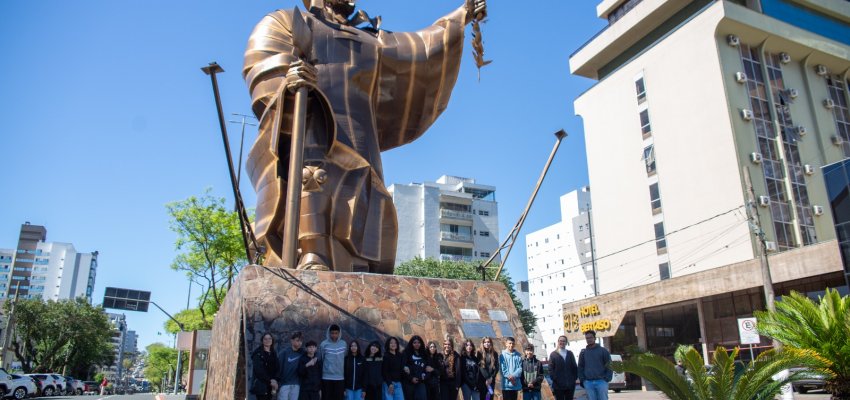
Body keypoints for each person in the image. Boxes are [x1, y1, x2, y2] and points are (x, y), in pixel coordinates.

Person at [242, 0, 487, 272]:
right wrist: (289, 82)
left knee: (367, 206)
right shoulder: (290, 22)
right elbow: (262, 64)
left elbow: (419, 48)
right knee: (312, 178)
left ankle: (365, 270)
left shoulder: (370, 40)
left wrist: (460, 17)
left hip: (361, 139)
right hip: (314, 130)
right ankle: (313, 253)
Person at [577, 330, 613, 400]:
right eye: (587, 338)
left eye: (590, 337)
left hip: (601, 382)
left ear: (595, 338)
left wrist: (607, 378)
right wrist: (583, 380)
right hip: (588, 382)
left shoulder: (603, 351)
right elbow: (580, 367)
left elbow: (609, 365)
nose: (589, 339)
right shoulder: (583, 352)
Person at [321, 324, 348, 400]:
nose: (334, 335)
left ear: (339, 333)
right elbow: (322, 359)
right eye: (332, 333)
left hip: (340, 377)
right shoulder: (323, 344)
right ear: (329, 333)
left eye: (336, 333)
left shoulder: (344, 344)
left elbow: (344, 358)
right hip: (326, 377)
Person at [547, 336, 578, 400]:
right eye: (560, 341)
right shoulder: (553, 354)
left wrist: (574, 379)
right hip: (558, 386)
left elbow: (574, 367)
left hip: (570, 385)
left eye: (564, 341)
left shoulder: (570, 353)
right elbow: (550, 369)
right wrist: (555, 379)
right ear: (558, 342)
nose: (562, 342)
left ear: (566, 343)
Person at [252, 333, 281, 400]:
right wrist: (270, 381)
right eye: (265, 339)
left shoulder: (273, 353)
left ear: (272, 340)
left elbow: (277, 368)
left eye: (269, 338)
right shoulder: (258, 353)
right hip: (262, 386)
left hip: (271, 387)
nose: (267, 340)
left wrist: (275, 380)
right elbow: (259, 371)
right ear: (262, 341)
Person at [278, 332, 305, 400]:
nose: (299, 343)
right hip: (284, 384)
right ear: (292, 341)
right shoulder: (284, 352)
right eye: (297, 340)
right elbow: (278, 368)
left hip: (296, 384)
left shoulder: (302, 353)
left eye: (301, 341)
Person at [403, 335, 428, 400]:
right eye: (414, 343)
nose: (417, 344)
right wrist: (411, 378)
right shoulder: (406, 353)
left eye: (418, 342)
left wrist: (425, 376)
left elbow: (427, 368)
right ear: (411, 344)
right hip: (409, 383)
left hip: (421, 382)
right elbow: (403, 367)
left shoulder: (424, 354)